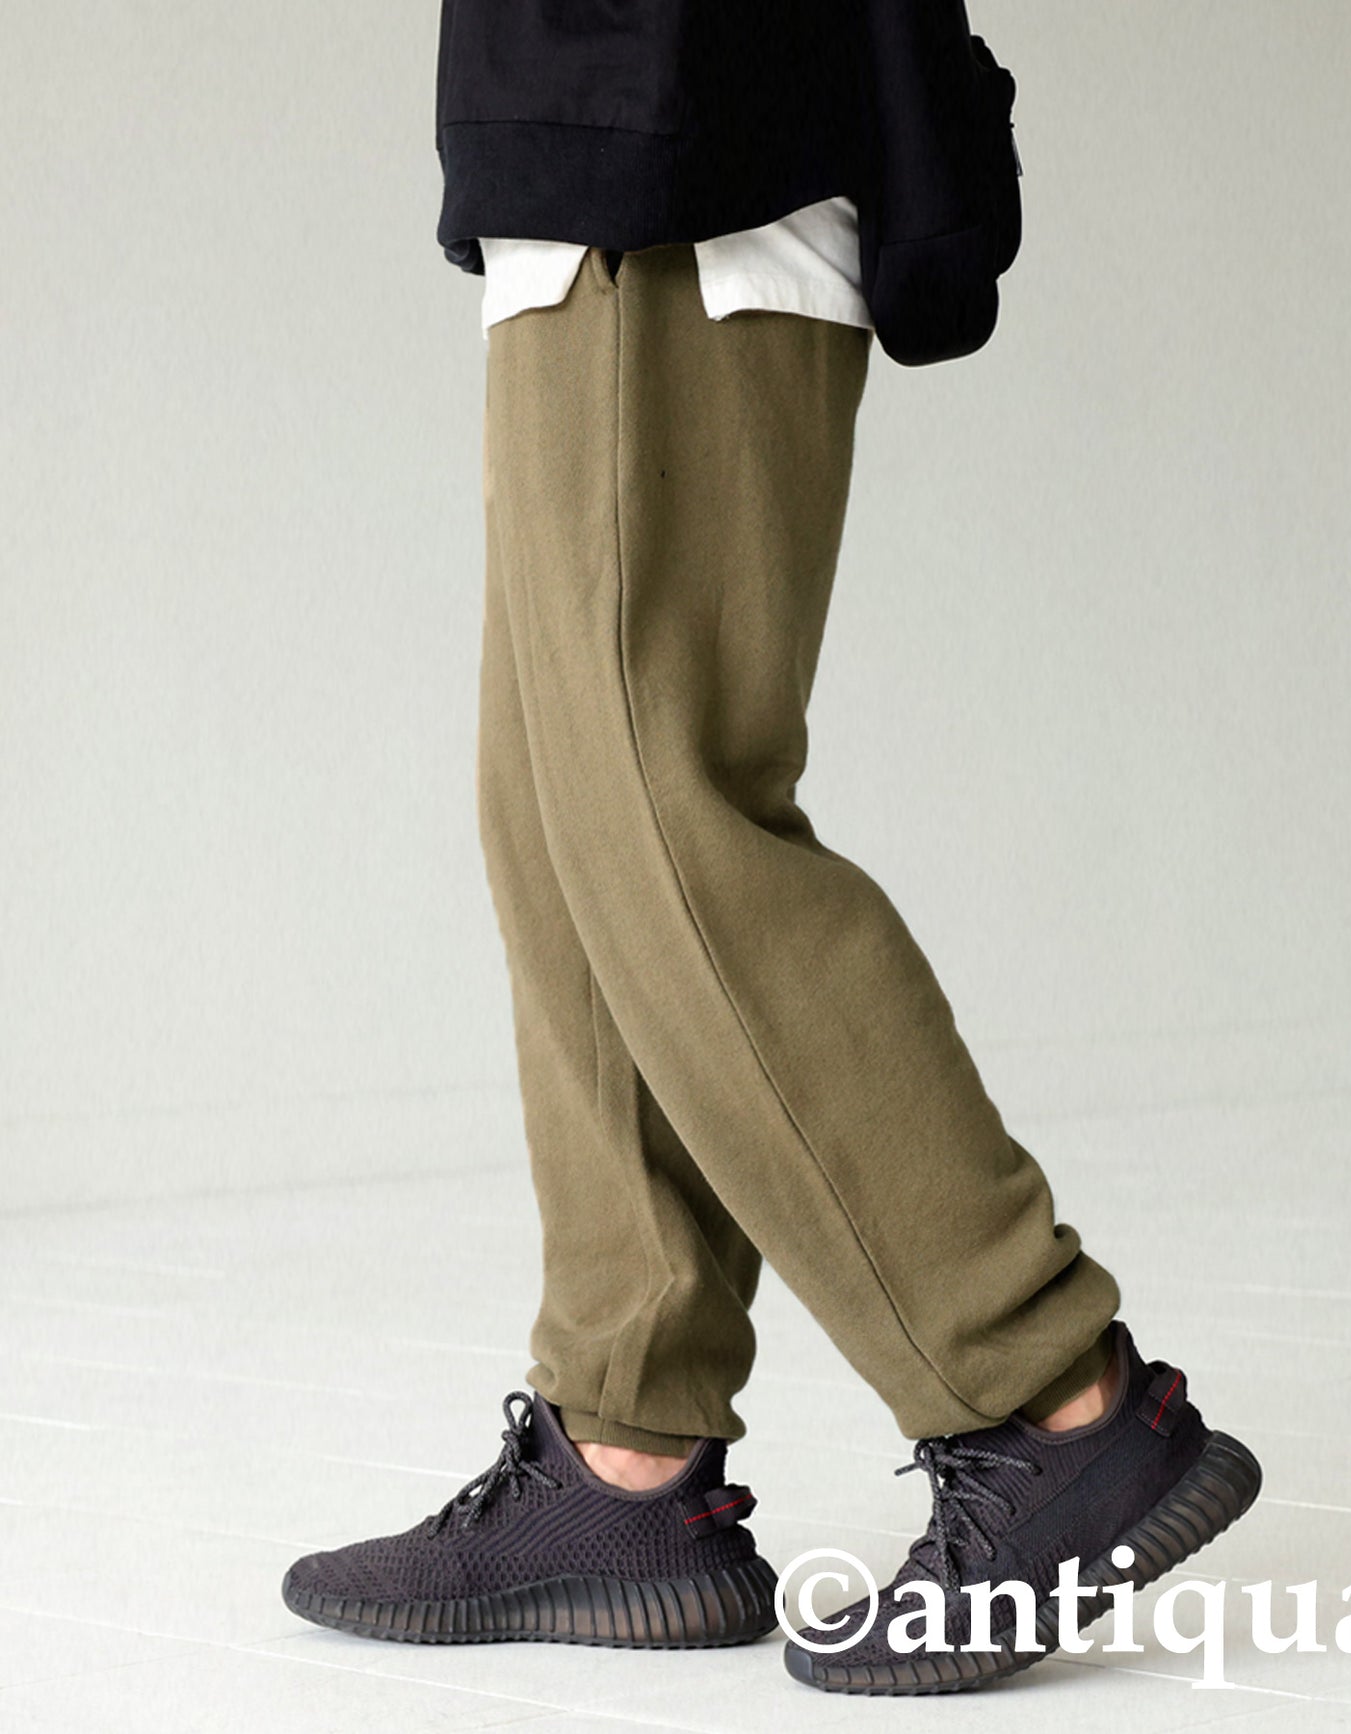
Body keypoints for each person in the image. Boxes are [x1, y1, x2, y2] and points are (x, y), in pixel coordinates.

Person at [280, 1, 1261, 1696]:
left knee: (663, 812)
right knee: (560, 830)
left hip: (682, 148)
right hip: (584, 156)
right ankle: (624, 1452)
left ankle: (1048, 1393)